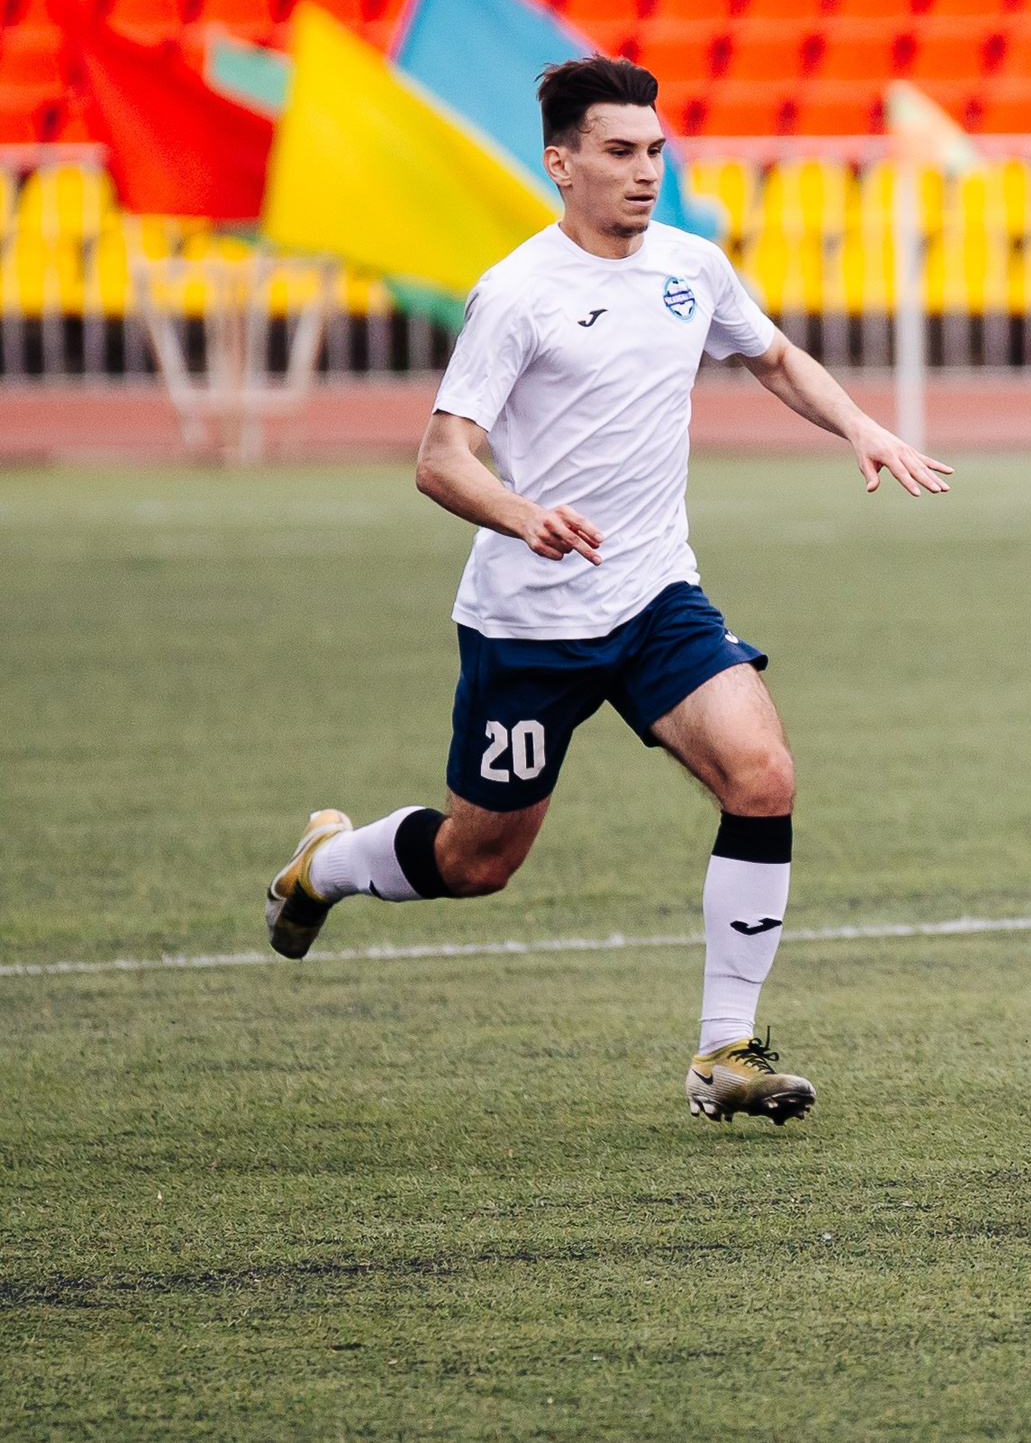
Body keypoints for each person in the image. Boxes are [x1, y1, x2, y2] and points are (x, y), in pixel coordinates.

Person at [262, 57, 951, 1126]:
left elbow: (771, 357)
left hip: (654, 597)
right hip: (529, 625)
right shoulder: (518, 294)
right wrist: (522, 514)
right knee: (475, 861)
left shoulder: (691, 267)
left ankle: (725, 1050)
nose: (644, 174)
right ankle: (328, 864)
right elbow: (442, 459)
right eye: (621, 153)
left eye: (656, 153)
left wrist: (857, 422)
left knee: (763, 774)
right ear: (562, 163)